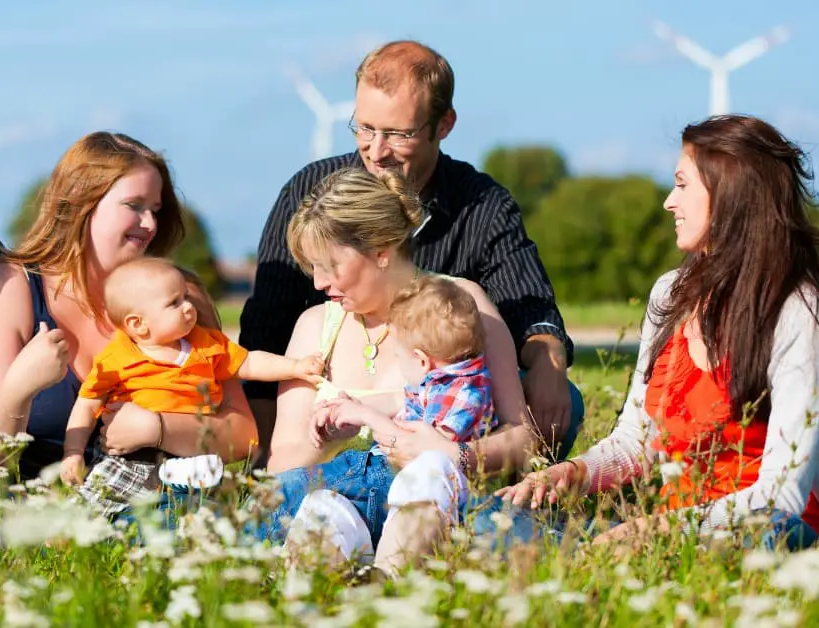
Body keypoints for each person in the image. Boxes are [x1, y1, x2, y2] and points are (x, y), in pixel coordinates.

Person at [493, 115, 819, 551]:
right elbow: (638, 440)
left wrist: (655, 531)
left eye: (682, 185)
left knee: (764, 535)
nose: (669, 201)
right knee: (489, 521)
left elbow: (785, 495)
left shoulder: (795, 308)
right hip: (671, 526)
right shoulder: (670, 292)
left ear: (730, 195)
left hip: (765, 526)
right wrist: (572, 473)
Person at [241, 40, 580, 464]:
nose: (377, 150)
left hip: (453, 409)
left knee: (561, 396)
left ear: (444, 124)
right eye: (364, 128)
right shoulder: (310, 191)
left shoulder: (482, 205)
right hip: (313, 384)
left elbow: (527, 305)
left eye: (398, 134)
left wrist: (548, 360)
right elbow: (266, 324)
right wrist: (263, 455)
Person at [255, 166, 540, 577]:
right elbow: (285, 461)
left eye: (329, 265)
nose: (318, 282)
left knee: (508, 532)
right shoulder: (317, 325)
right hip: (332, 499)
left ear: (380, 251)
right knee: (276, 501)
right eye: (311, 267)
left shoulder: (461, 304)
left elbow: (522, 437)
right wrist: (340, 431)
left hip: (435, 502)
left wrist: (454, 454)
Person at [0, 133, 259, 492]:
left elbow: (245, 437)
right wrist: (19, 387)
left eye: (156, 210)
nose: (150, 224)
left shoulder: (180, 298)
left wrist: (159, 428)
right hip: (38, 518)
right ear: (81, 203)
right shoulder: (9, 287)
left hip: (158, 508)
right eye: (134, 205)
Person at [62, 257, 324, 517]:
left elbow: (250, 362)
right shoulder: (117, 359)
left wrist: (295, 367)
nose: (188, 307)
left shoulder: (205, 345)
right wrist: (73, 451)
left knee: (189, 518)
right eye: (174, 303)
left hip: (190, 455)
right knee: (85, 515)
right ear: (138, 324)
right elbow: (87, 403)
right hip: (132, 457)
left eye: (185, 297)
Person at [299, 274, 496, 575]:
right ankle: (315, 576)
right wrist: (346, 405)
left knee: (427, 467)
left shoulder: (464, 393)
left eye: (399, 356)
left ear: (420, 360)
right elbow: (400, 401)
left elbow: (420, 449)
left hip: (423, 495)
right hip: (384, 483)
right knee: (321, 503)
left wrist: (365, 416)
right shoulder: (439, 380)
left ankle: (389, 574)